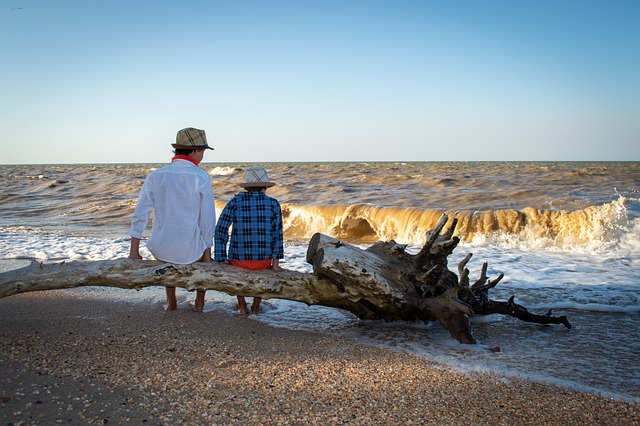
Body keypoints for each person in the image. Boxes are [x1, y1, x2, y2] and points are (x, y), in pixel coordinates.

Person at [129, 127, 215, 312]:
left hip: (161, 249)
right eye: (203, 152)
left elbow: (140, 213)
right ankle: (199, 303)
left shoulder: (156, 175)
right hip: (190, 253)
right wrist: (207, 254)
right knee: (197, 248)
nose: (202, 156)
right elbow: (207, 219)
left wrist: (134, 252)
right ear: (196, 151)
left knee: (169, 247)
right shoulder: (200, 176)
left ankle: (171, 301)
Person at [214, 166, 285, 315]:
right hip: (263, 262)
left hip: (238, 261)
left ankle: (241, 305)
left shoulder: (235, 202)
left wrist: (221, 257)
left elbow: (220, 228)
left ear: (247, 187)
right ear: (265, 186)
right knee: (260, 277)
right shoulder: (273, 204)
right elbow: (277, 235)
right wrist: (275, 265)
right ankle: (256, 306)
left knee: (238, 277)